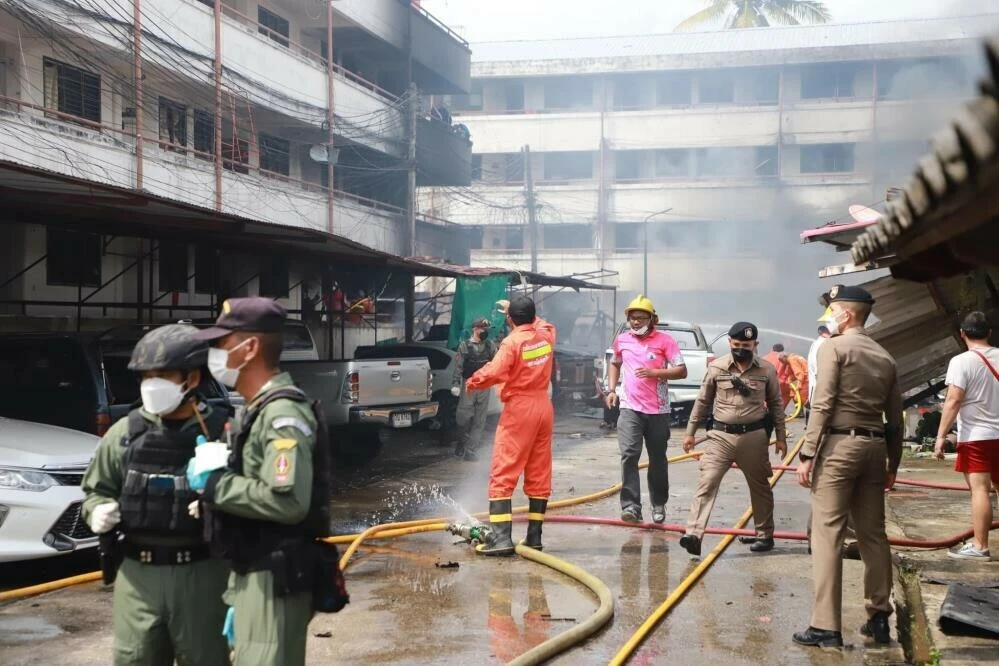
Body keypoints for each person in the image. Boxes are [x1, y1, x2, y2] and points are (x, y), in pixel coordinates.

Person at [81, 324, 231, 666]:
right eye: (146, 377)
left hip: (203, 574)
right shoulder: (124, 434)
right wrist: (97, 509)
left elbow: (254, 499)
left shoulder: (225, 432)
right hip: (138, 576)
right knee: (135, 657)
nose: (152, 384)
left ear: (192, 379)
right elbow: (95, 490)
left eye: (162, 375)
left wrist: (220, 501)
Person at [193, 298, 327, 665]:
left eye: (221, 343)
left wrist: (215, 485)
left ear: (250, 347)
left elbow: (288, 501)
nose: (215, 354)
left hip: (273, 579)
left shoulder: (282, 415)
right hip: (253, 574)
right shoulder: (257, 410)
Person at [793, 285, 902, 648]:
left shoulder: (833, 348)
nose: (830, 317)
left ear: (847, 314)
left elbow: (823, 403)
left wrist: (808, 453)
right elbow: (896, 419)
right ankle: (880, 617)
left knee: (828, 534)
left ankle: (825, 626)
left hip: (839, 447)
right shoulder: (885, 356)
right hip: (874, 449)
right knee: (873, 535)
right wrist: (893, 463)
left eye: (834, 310)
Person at [679, 322, 787, 557]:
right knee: (707, 481)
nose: (741, 349)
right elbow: (702, 401)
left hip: (754, 438)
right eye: (736, 344)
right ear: (729, 343)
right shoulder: (717, 367)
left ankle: (764, 534)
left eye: (746, 346)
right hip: (720, 437)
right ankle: (693, 534)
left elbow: (776, 404)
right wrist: (690, 433)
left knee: (760, 486)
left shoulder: (767, 370)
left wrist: (781, 436)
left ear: (755, 345)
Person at [466, 295, 556, 556]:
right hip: (543, 407)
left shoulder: (512, 342)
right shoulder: (546, 335)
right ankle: (534, 538)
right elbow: (544, 324)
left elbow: (494, 371)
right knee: (539, 472)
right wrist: (521, 313)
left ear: (510, 319)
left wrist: (473, 381)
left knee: (503, 471)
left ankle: (501, 539)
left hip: (520, 409)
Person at [605, 295, 687, 524]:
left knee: (657, 458)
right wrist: (611, 390)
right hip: (629, 408)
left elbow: (682, 370)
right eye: (632, 318)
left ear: (652, 319)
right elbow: (615, 363)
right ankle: (631, 506)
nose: (636, 322)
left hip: (658, 411)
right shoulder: (622, 340)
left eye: (641, 318)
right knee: (629, 454)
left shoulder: (665, 341)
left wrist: (655, 373)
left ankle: (658, 503)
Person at [934, 310, 999, 560]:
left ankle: (980, 546)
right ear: (989, 333)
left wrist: (941, 436)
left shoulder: (961, 362)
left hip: (977, 436)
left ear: (962, 334)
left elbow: (953, 400)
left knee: (980, 490)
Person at [453, 317, 499, 461]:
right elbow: (458, 366)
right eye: (483, 329)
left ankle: (471, 450)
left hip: (484, 386)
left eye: (487, 329)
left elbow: (498, 363)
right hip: (469, 385)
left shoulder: (490, 345)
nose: (485, 332)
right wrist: (455, 384)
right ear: (475, 329)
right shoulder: (465, 346)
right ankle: (461, 442)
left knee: (480, 420)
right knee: (463, 417)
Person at [806, 324, 831, 409]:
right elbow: (814, 361)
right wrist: (818, 373)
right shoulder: (820, 343)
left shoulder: (818, 342)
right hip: (819, 380)